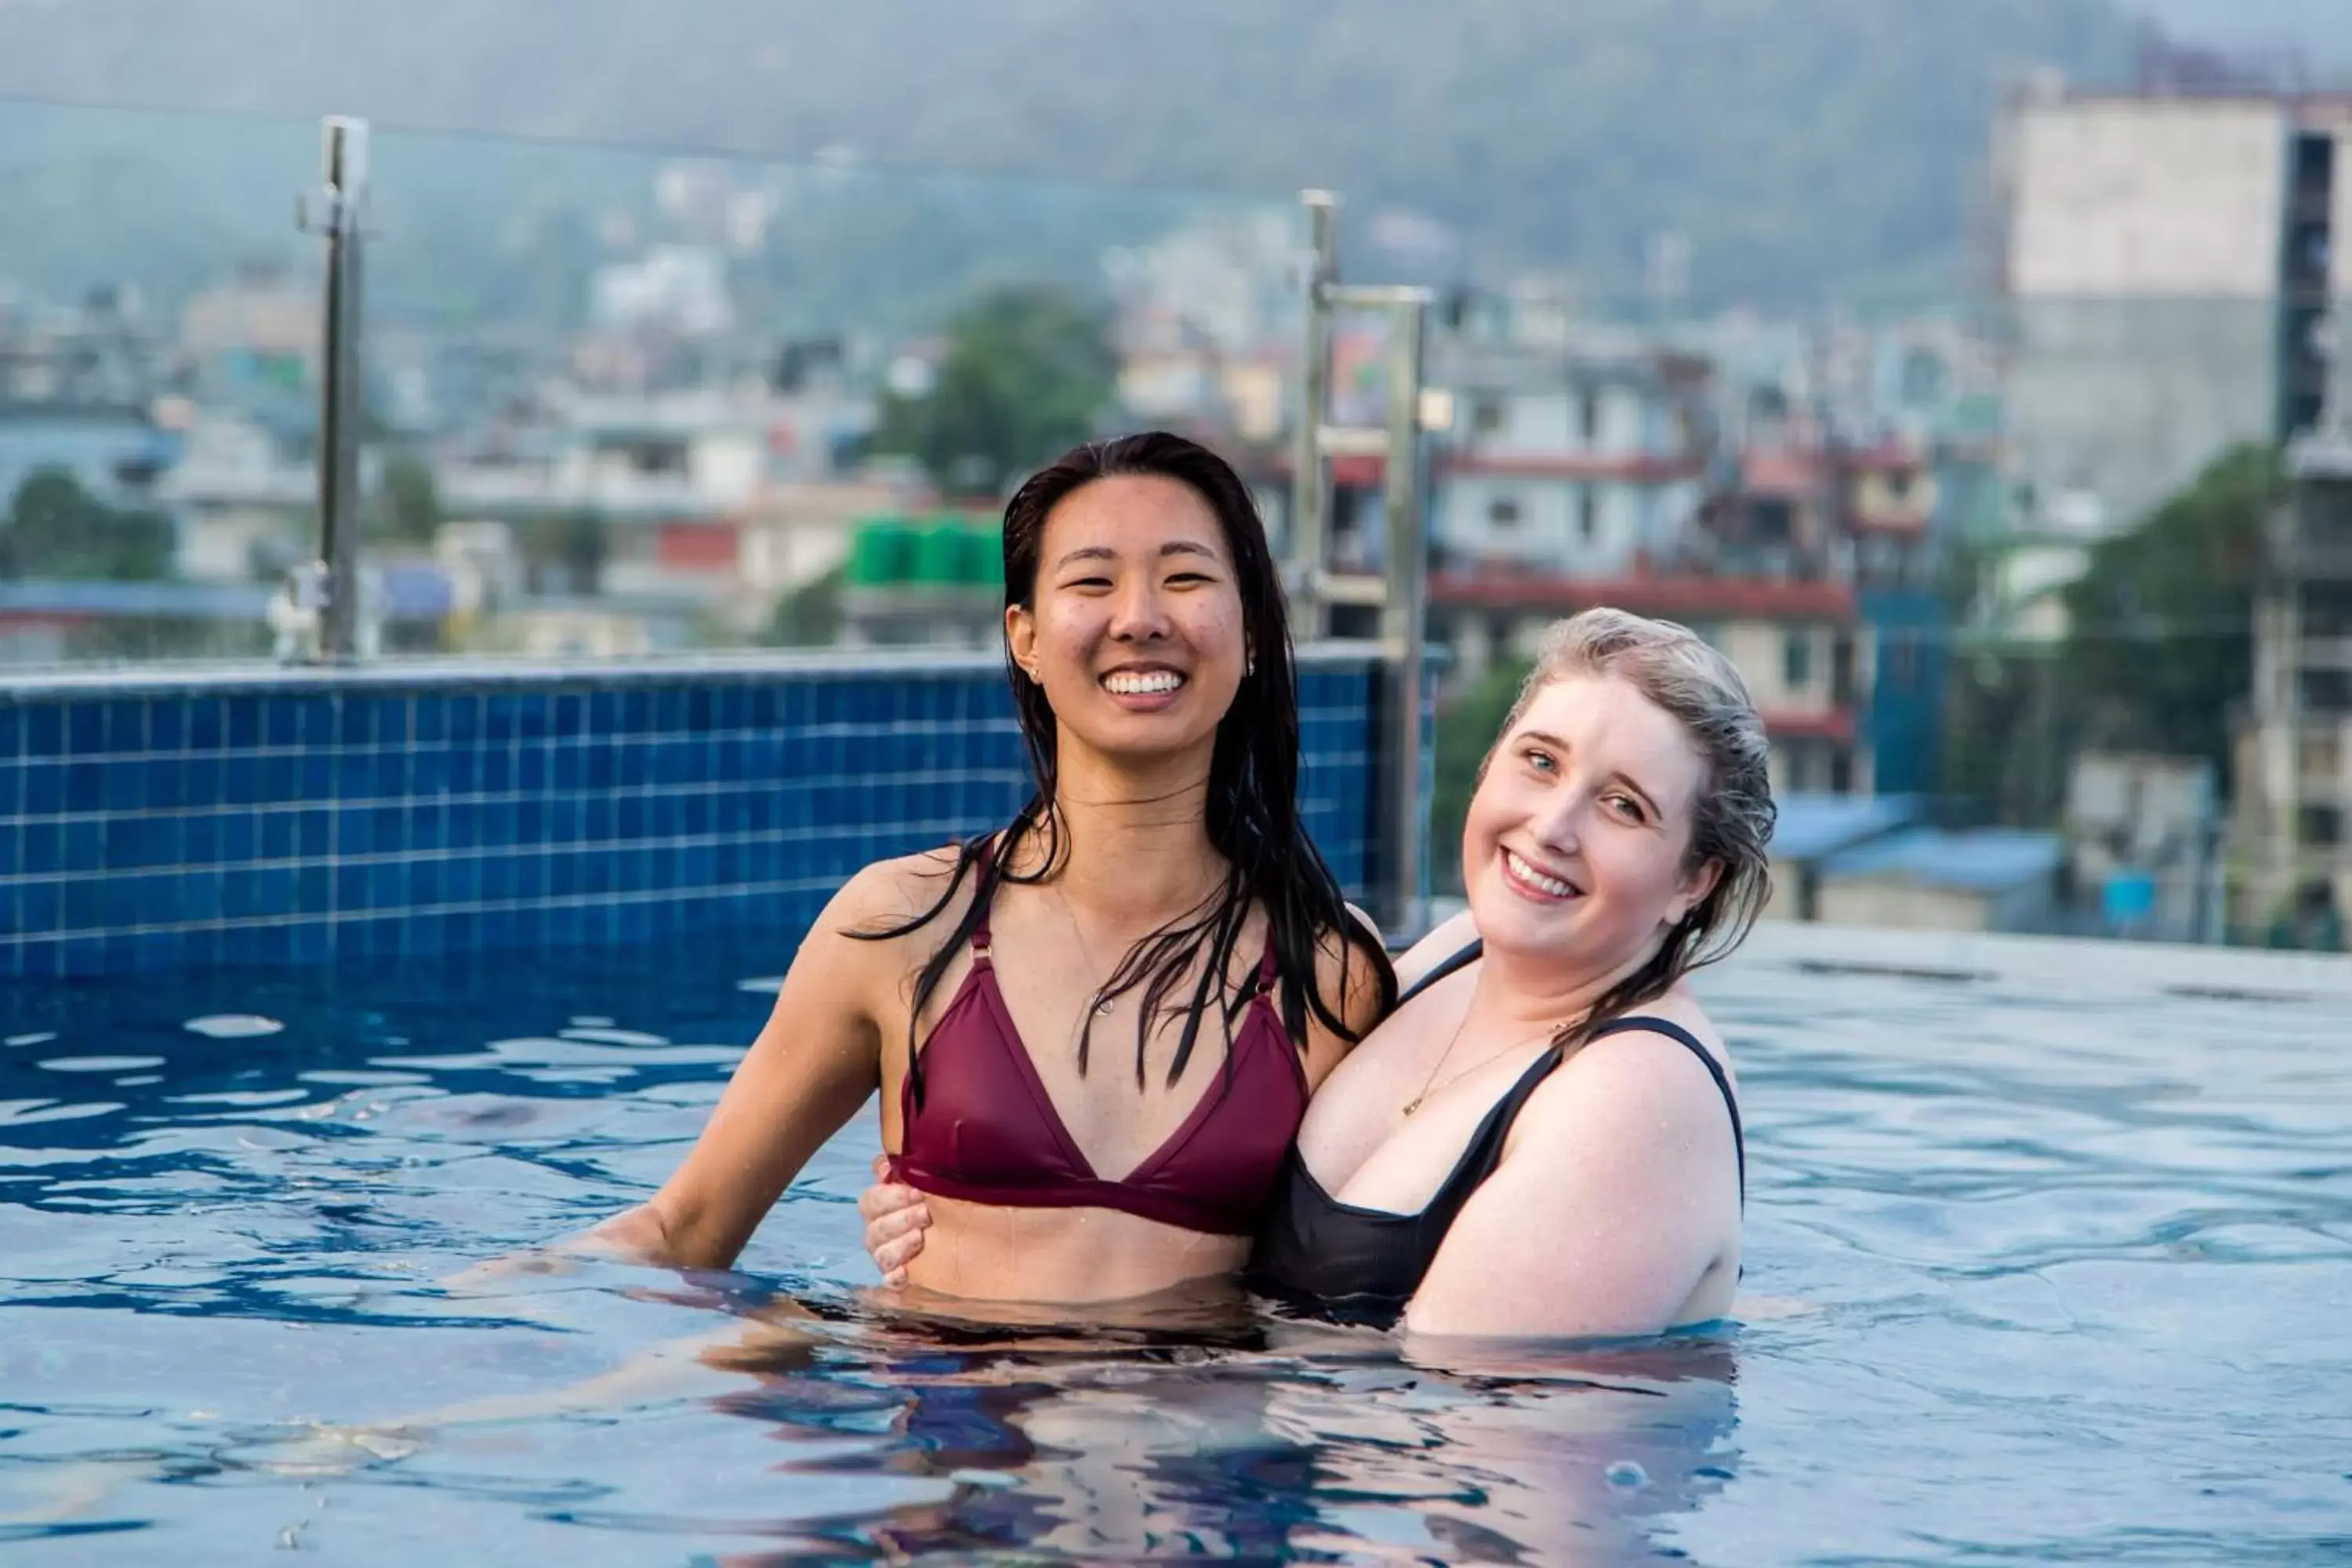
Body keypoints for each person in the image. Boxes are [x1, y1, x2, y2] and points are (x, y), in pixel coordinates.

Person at [573, 431, 1394, 1307]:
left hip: (1193, 1425)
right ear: (1026, 639)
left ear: (1255, 633)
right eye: (1091, 580)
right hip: (944, 1421)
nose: (1141, 616)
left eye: (1186, 578)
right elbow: (684, 1230)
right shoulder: (901, 926)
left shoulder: (1328, 974)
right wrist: (461, 1314)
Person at [861, 608, 1773, 1338]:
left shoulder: (1637, 1099)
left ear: (1695, 878)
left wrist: (1051, 1361)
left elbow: (1443, 1439)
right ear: (1490, 762)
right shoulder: (1451, 958)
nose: (1553, 826)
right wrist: (981, 1217)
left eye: (1623, 805)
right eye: (1540, 761)